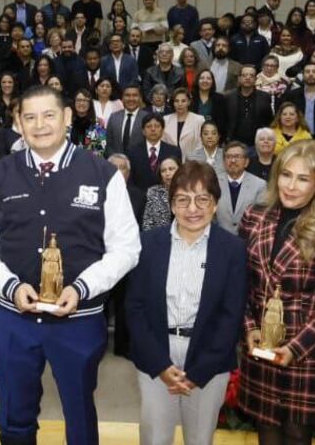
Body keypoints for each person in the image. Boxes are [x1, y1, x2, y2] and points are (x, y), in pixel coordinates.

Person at [0, 85, 141, 445]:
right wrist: (10, 286)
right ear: (17, 121)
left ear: (66, 117)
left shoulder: (102, 174)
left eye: (49, 115)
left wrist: (82, 288)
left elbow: (126, 248)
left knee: (79, 417)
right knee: (14, 419)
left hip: (78, 322)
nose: (40, 124)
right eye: (29, 117)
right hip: (15, 321)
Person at [126, 160, 246, 445]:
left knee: (200, 439)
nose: (192, 209)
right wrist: (159, 365)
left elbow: (232, 315)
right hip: (157, 354)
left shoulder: (232, 249)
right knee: (155, 438)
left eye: (202, 199)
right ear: (171, 204)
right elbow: (134, 307)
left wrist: (201, 369)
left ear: (215, 203)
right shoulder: (147, 244)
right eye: (182, 200)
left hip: (209, 357)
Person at [235, 140, 315, 444]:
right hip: (260, 348)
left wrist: (294, 348)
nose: (291, 186)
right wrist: (249, 328)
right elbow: (239, 284)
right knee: (266, 430)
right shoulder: (254, 217)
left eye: (303, 178)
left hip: (304, 353)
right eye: (286, 175)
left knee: (297, 434)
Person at [215, 141, 266, 235]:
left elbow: (260, 219)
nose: (233, 160)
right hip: (219, 238)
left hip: (248, 241)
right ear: (224, 161)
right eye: (229, 157)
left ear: (246, 162)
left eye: (237, 156)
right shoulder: (213, 182)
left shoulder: (260, 185)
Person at [142, 156, 181, 232]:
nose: (167, 173)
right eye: (163, 171)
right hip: (160, 237)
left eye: (171, 169)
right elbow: (147, 223)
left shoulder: (189, 190)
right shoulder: (153, 192)